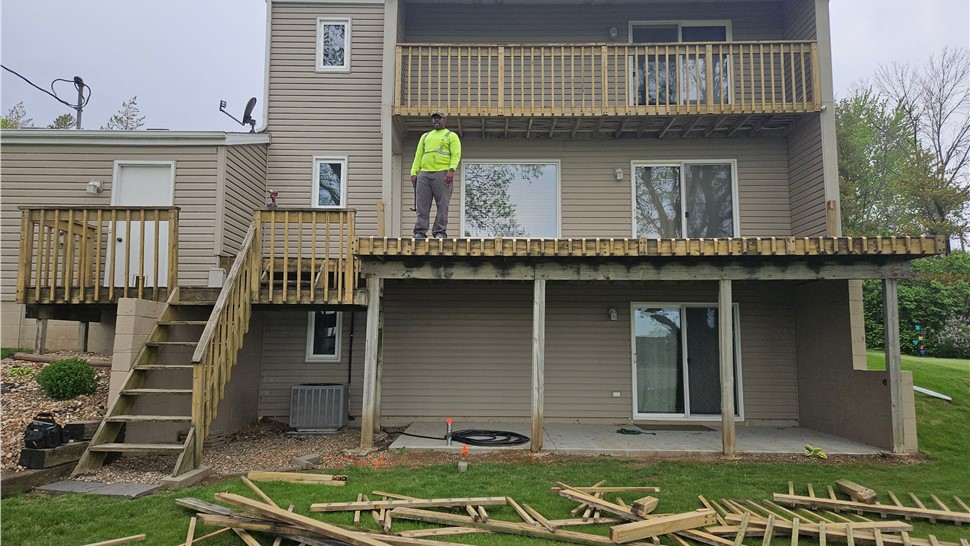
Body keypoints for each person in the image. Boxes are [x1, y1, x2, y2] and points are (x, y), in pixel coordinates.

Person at [410, 109, 462, 238]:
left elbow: (456, 154)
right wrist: (414, 172)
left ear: (444, 120)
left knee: (442, 205)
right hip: (424, 174)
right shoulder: (425, 136)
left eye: (439, 118)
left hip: (442, 174)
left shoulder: (451, 135)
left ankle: (439, 232)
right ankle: (420, 232)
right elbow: (418, 155)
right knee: (422, 205)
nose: (436, 120)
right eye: (434, 118)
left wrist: (451, 170)